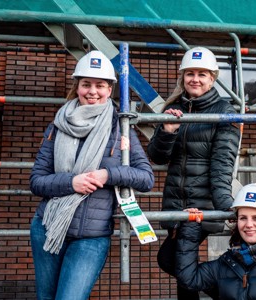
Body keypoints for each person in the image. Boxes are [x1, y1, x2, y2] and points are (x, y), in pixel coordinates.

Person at [29, 50, 154, 300]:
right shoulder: (57, 125)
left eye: (100, 85)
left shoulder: (120, 128)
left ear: (110, 90)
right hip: (48, 228)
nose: (92, 91)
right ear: (77, 87)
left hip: (91, 237)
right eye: (86, 84)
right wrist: (71, 182)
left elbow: (145, 178)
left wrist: (108, 175)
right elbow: (37, 181)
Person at [147, 46, 240, 299]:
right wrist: (168, 131)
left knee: (169, 260)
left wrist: (226, 208)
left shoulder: (224, 112)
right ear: (182, 77)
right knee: (181, 269)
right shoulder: (174, 108)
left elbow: (223, 164)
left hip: (200, 206)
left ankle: (231, 295)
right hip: (176, 202)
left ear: (213, 78)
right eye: (190, 73)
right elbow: (157, 157)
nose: (195, 79)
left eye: (202, 74)